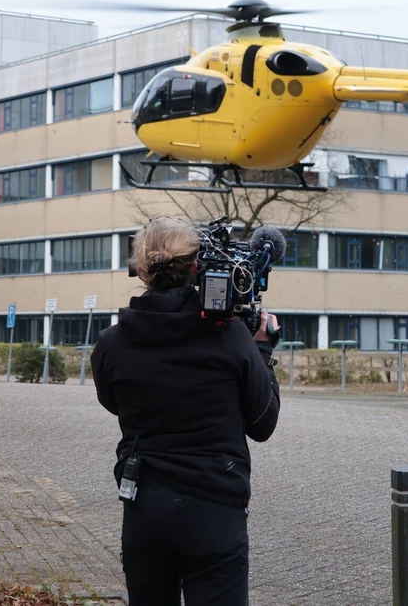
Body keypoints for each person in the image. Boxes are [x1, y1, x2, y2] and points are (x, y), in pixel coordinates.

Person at [91, 216, 281, 606]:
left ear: (140, 269)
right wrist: (261, 349)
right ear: (197, 267)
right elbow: (262, 423)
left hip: (144, 508)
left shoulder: (110, 343)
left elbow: (114, 403)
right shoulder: (229, 335)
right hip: (214, 511)